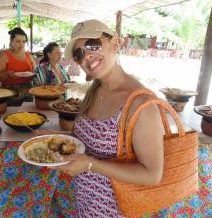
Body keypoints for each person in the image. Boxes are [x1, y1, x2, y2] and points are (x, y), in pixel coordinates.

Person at [52, 19, 164, 217]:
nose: (87, 56)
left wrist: (89, 165)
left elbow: (152, 175)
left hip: (115, 210)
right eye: (79, 54)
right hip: (85, 203)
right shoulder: (95, 91)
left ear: (115, 43)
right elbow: (91, 138)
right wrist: (59, 137)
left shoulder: (140, 102)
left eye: (92, 45)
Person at [0, 27, 35, 104]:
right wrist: (7, 74)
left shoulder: (28, 55)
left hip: (28, 91)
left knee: (28, 114)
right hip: (9, 92)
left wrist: (33, 75)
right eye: (18, 41)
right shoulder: (4, 55)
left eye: (24, 42)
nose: (21, 44)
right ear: (11, 41)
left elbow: (34, 71)